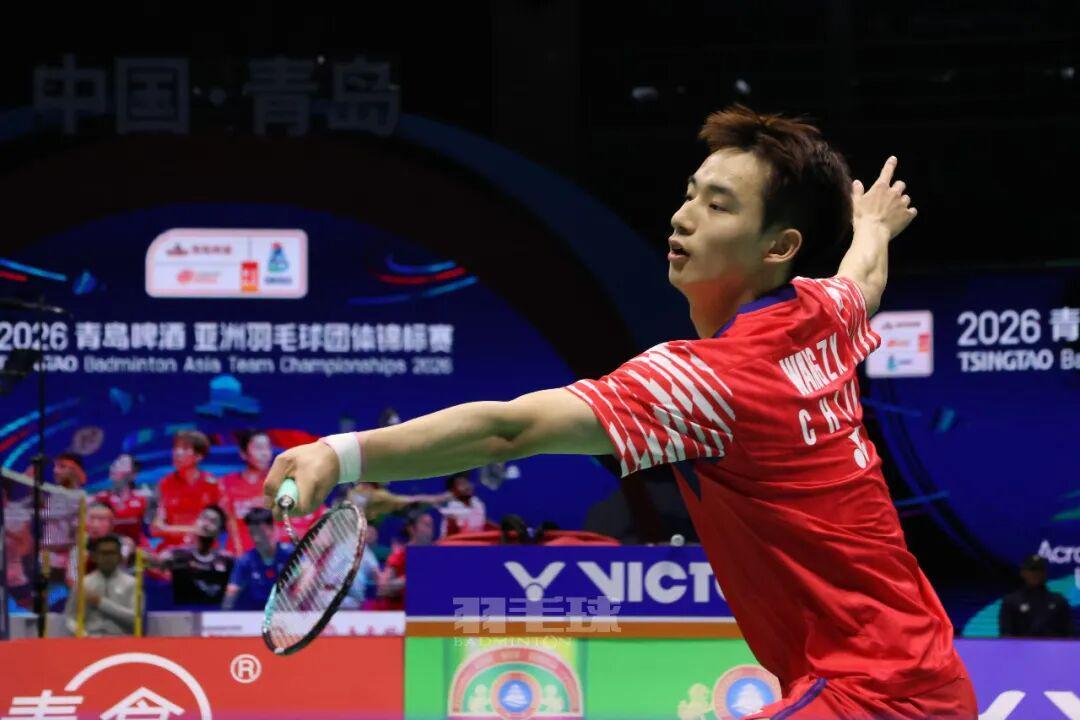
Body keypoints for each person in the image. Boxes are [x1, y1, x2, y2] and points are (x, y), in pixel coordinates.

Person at [264, 106, 976, 718]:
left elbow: (510, 430)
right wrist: (873, 226)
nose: (683, 216)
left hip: (870, 696)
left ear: (779, 247)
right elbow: (862, 280)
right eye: (690, 194)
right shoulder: (822, 316)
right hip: (927, 674)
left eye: (719, 206)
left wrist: (341, 453)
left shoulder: (707, 381)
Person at [151, 505, 233, 608]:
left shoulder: (227, 561)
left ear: (220, 531)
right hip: (182, 614)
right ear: (195, 523)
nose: (206, 524)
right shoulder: (176, 554)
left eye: (213, 521)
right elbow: (154, 563)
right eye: (204, 518)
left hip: (214, 615)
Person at [152, 430, 222, 549]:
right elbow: (156, 529)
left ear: (198, 456)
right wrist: (194, 529)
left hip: (203, 549)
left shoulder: (213, 484)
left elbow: (213, 528)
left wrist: (168, 529)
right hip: (172, 550)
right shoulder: (164, 484)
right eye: (176, 448)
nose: (177, 453)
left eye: (184, 449)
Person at [63, 534, 136, 636]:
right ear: (94, 557)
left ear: (120, 557)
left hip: (121, 640)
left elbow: (135, 618)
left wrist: (100, 602)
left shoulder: (133, 583)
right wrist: (84, 636)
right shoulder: (83, 584)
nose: (108, 558)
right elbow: (70, 618)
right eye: (103, 553)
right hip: (90, 639)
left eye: (112, 553)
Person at [222, 508, 291, 610]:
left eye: (260, 532)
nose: (256, 538)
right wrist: (224, 613)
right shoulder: (245, 561)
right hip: (254, 613)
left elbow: (307, 571)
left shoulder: (289, 553)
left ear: (272, 528)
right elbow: (232, 590)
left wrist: (295, 598)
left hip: (284, 611)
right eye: (252, 533)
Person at [220, 429, 274, 555]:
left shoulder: (279, 483)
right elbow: (224, 522)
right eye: (259, 448)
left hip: (271, 556)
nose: (265, 453)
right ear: (243, 453)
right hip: (237, 556)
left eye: (267, 448)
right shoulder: (226, 483)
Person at [999, 554, 1074, 638]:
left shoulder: (1059, 601)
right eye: (1032, 570)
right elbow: (1006, 635)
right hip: (1021, 646)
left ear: (1045, 574)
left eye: (1039, 570)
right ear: (1023, 573)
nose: (1036, 574)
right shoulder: (1011, 602)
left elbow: (1070, 634)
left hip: (1053, 646)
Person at [66, 501, 136, 586]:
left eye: (101, 519)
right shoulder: (78, 547)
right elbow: (72, 579)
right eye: (91, 519)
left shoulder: (124, 544)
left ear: (111, 523)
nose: (95, 525)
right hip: (87, 591)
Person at [374, 511, 434, 610]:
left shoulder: (437, 554)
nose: (430, 530)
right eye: (426, 525)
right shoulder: (400, 555)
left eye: (431, 525)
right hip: (402, 612)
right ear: (412, 529)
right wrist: (409, 580)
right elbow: (383, 589)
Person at [95, 453, 149, 546]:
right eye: (115, 463)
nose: (114, 466)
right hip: (110, 548)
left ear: (133, 473)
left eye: (122, 463)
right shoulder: (102, 498)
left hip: (138, 548)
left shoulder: (143, 498)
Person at [439, 472, 487, 537]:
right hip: (457, 541)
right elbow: (450, 534)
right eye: (461, 484)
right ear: (453, 489)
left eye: (466, 482)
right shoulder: (451, 508)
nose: (466, 486)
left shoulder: (477, 502)